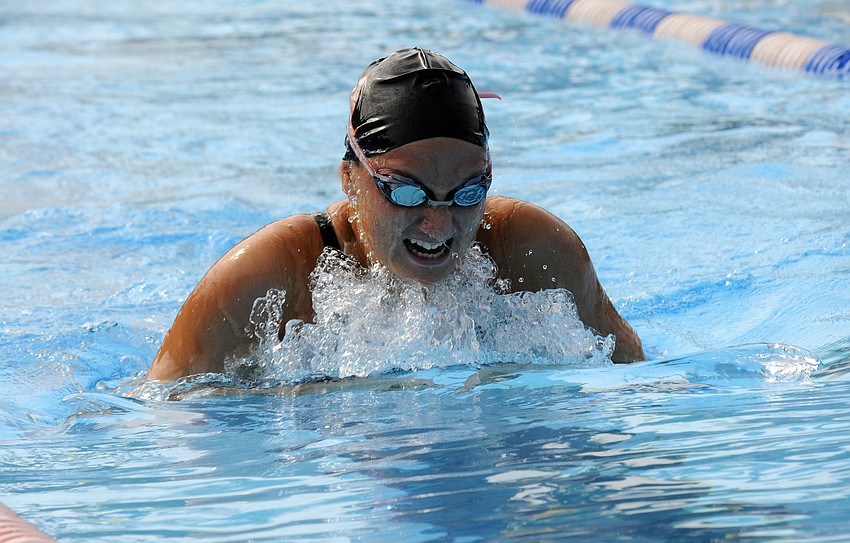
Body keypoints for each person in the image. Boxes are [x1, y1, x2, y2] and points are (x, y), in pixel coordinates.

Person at [146, 47, 644, 382]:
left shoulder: (534, 250)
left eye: (469, 192)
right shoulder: (266, 278)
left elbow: (635, 379)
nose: (439, 224)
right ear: (349, 178)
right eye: (407, 193)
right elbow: (164, 422)